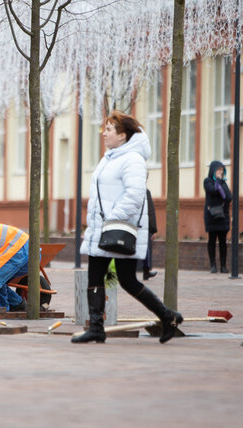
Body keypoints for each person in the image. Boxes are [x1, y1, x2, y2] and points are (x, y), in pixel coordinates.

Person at [73, 110, 183, 344]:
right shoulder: (110, 157)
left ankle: (168, 316)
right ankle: (96, 328)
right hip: (104, 230)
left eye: (110, 129)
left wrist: (111, 220)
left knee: (128, 281)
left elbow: (134, 196)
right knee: (95, 277)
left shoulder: (132, 159)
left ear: (122, 135)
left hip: (118, 230)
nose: (104, 133)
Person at [204, 160, 232, 274]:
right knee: (212, 240)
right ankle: (213, 265)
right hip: (212, 215)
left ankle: (223, 266)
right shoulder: (208, 181)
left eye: (222, 170)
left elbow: (229, 197)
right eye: (218, 170)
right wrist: (218, 181)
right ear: (213, 170)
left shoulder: (223, 182)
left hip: (222, 216)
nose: (220, 172)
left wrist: (221, 181)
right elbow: (213, 190)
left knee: (223, 241)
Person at [141, 189, 157, 280]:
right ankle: (146, 271)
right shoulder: (145, 191)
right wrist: (152, 229)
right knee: (144, 248)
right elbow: (150, 211)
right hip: (142, 225)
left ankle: (146, 271)